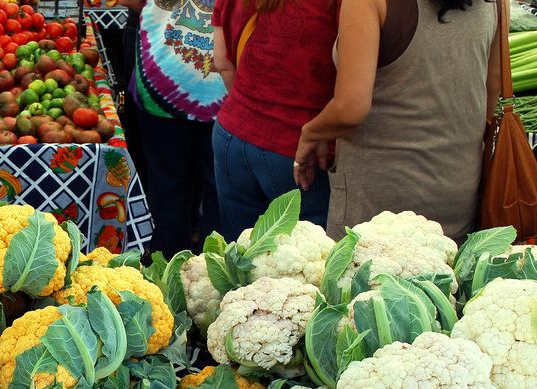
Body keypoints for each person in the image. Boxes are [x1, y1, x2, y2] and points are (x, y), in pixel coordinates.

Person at [294, 0, 500, 241]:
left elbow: (350, 109)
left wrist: (312, 132)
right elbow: (493, 84)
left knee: (364, 276)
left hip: (379, 205)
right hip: (458, 193)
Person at [211, 0, 338, 238]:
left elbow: (222, 61)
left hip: (233, 130)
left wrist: (249, 108)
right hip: (301, 145)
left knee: (239, 258)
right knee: (307, 263)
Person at [121, 0, 227, 257]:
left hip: (165, 79)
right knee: (220, 198)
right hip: (223, 88)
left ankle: (168, 274)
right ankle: (213, 275)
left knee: (167, 190)